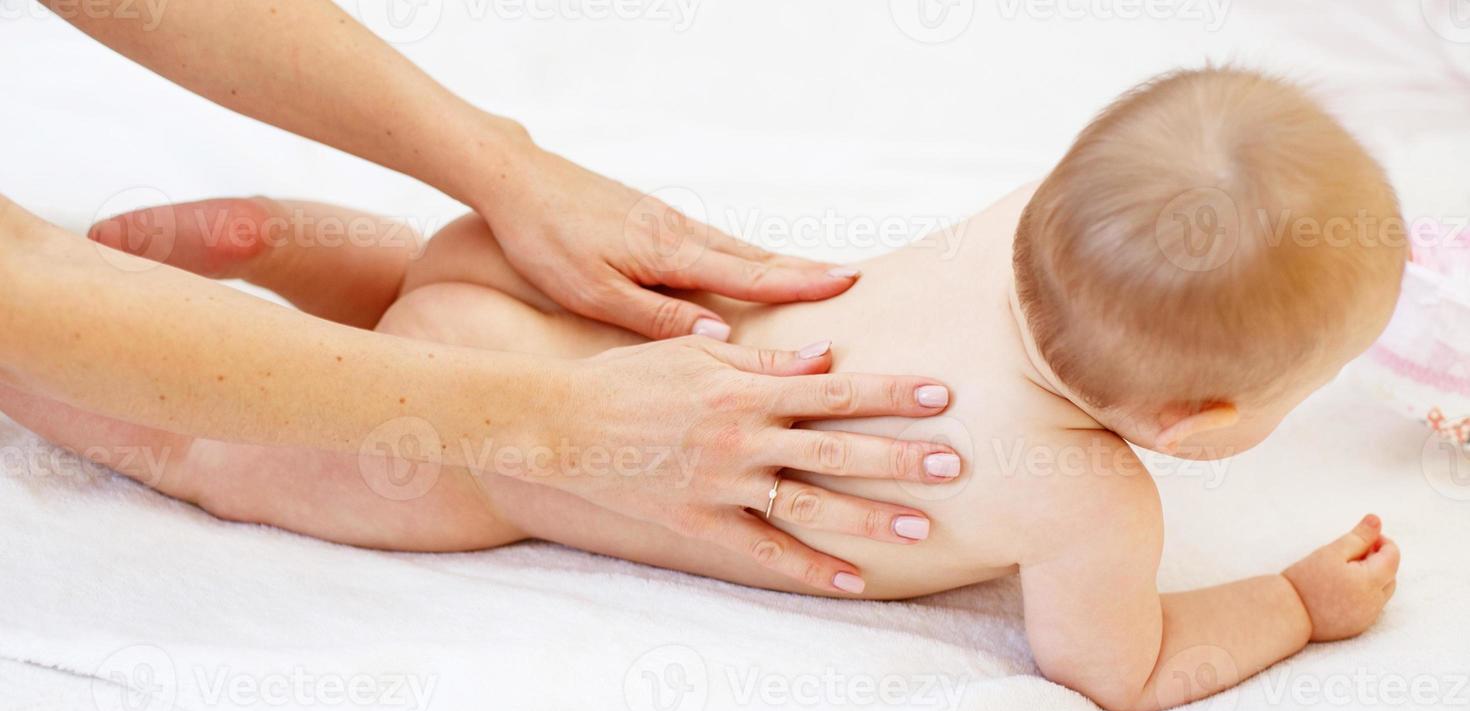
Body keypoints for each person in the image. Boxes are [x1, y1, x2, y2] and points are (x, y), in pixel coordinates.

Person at [2, 68, 1406, 711]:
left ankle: (281, 245)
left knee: (443, 323)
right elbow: (1119, 668)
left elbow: (1158, 199)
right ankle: (47, 341)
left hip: (549, 279)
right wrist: (1288, 604)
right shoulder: (1092, 502)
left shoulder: (1024, 217)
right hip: (470, 462)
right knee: (203, 447)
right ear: (1197, 425)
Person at [0, 0, 962, 591]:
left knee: (264, 419)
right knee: (214, 439)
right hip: (556, 302)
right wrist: (562, 424)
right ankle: (275, 248)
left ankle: (277, 256)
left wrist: (505, 164)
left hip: (509, 346)